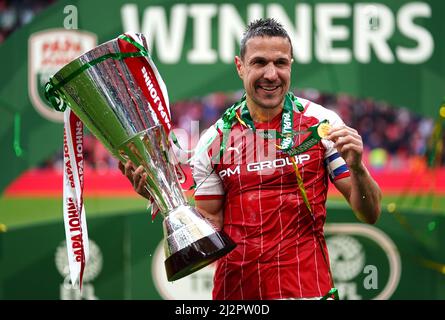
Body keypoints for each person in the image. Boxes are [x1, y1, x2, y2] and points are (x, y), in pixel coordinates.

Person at [120, 18, 382, 300]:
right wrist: (164, 197)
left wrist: (357, 168)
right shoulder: (213, 141)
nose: (271, 74)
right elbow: (209, 233)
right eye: (259, 62)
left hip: (310, 293)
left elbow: (370, 213)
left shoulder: (322, 124)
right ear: (240, 66)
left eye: (280, 63)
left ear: (290, 65)